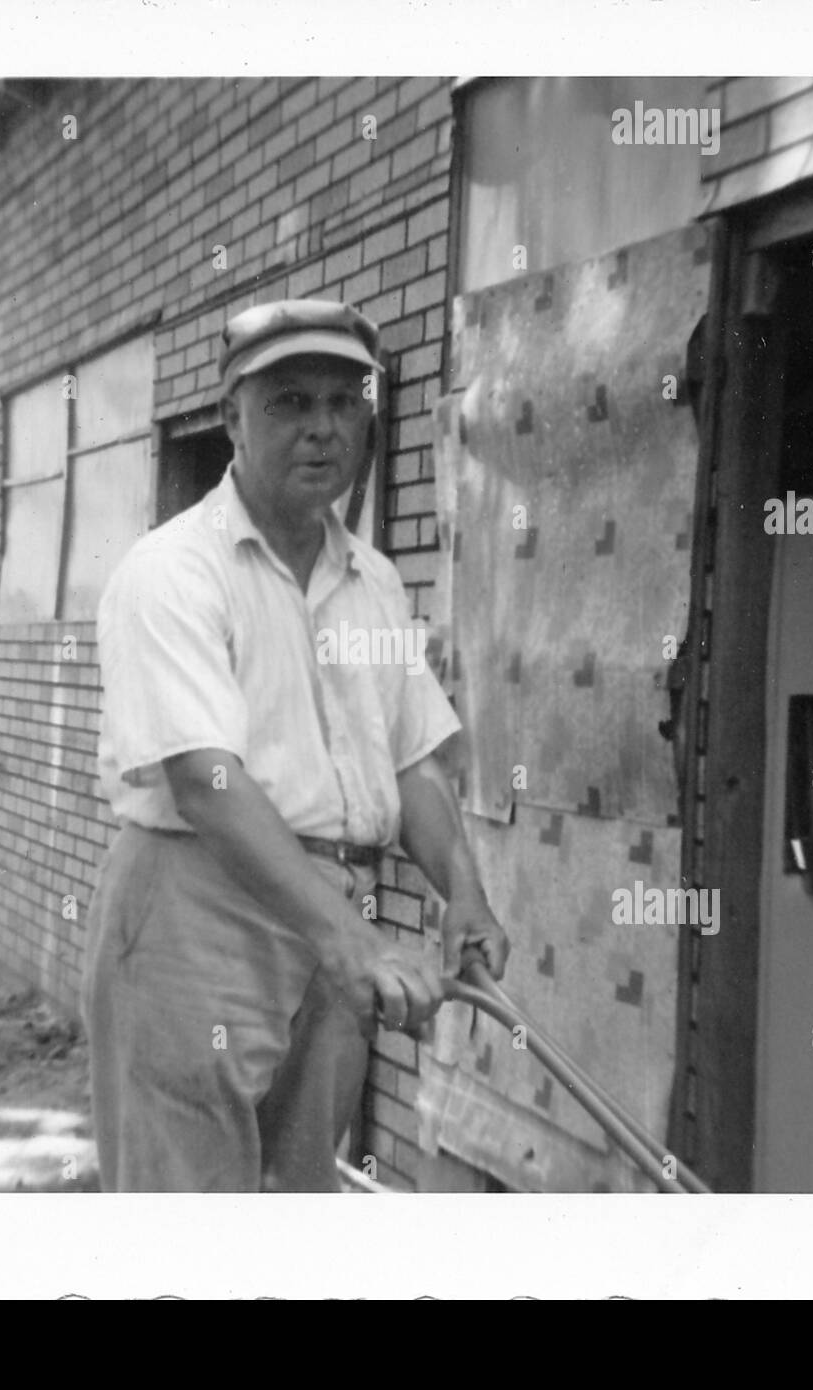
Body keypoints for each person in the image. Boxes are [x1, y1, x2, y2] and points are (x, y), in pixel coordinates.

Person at [82, 298, 510, 1192]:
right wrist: (355, 942)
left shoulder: (375, 581)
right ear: (231, 414)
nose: (321, 428)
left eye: (343, 401)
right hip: (196, 908)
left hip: (331, 918)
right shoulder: (171, 570)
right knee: (187, 1217)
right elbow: (204, 782)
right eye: (287, 403)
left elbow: (410, 755)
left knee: (298, 1201)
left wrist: (462, 895)